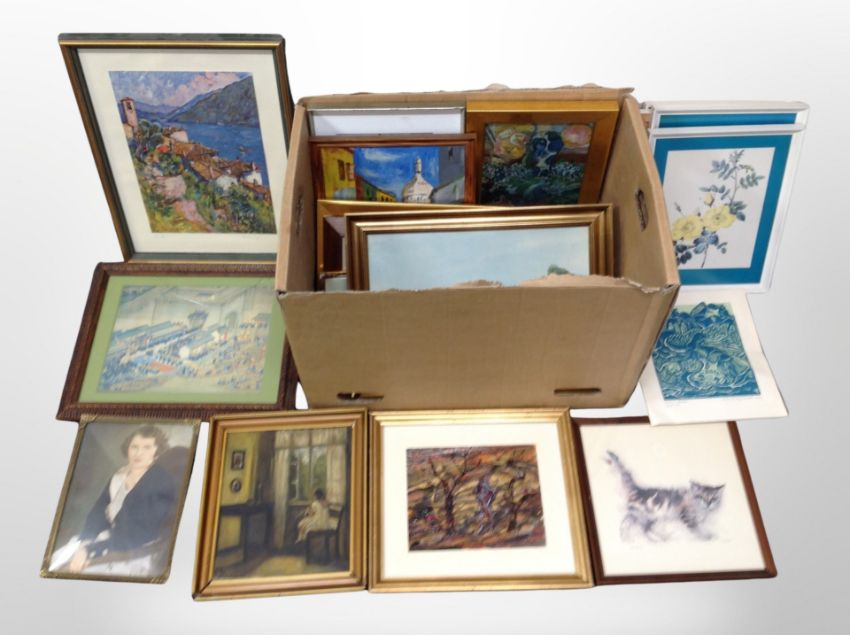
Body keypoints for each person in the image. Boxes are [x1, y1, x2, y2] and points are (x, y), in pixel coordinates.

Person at [52, 425, 179, 576]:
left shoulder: (161, 481)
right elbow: (97, 514)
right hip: (109, 539)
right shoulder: (119, 476)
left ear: (157, 452)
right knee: (57, 561)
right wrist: (85, 542)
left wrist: (90, 550)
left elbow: (140, 534)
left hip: (136, 550)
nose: (138, 453)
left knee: (78, 572)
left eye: (147, 447)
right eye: (134, 447)